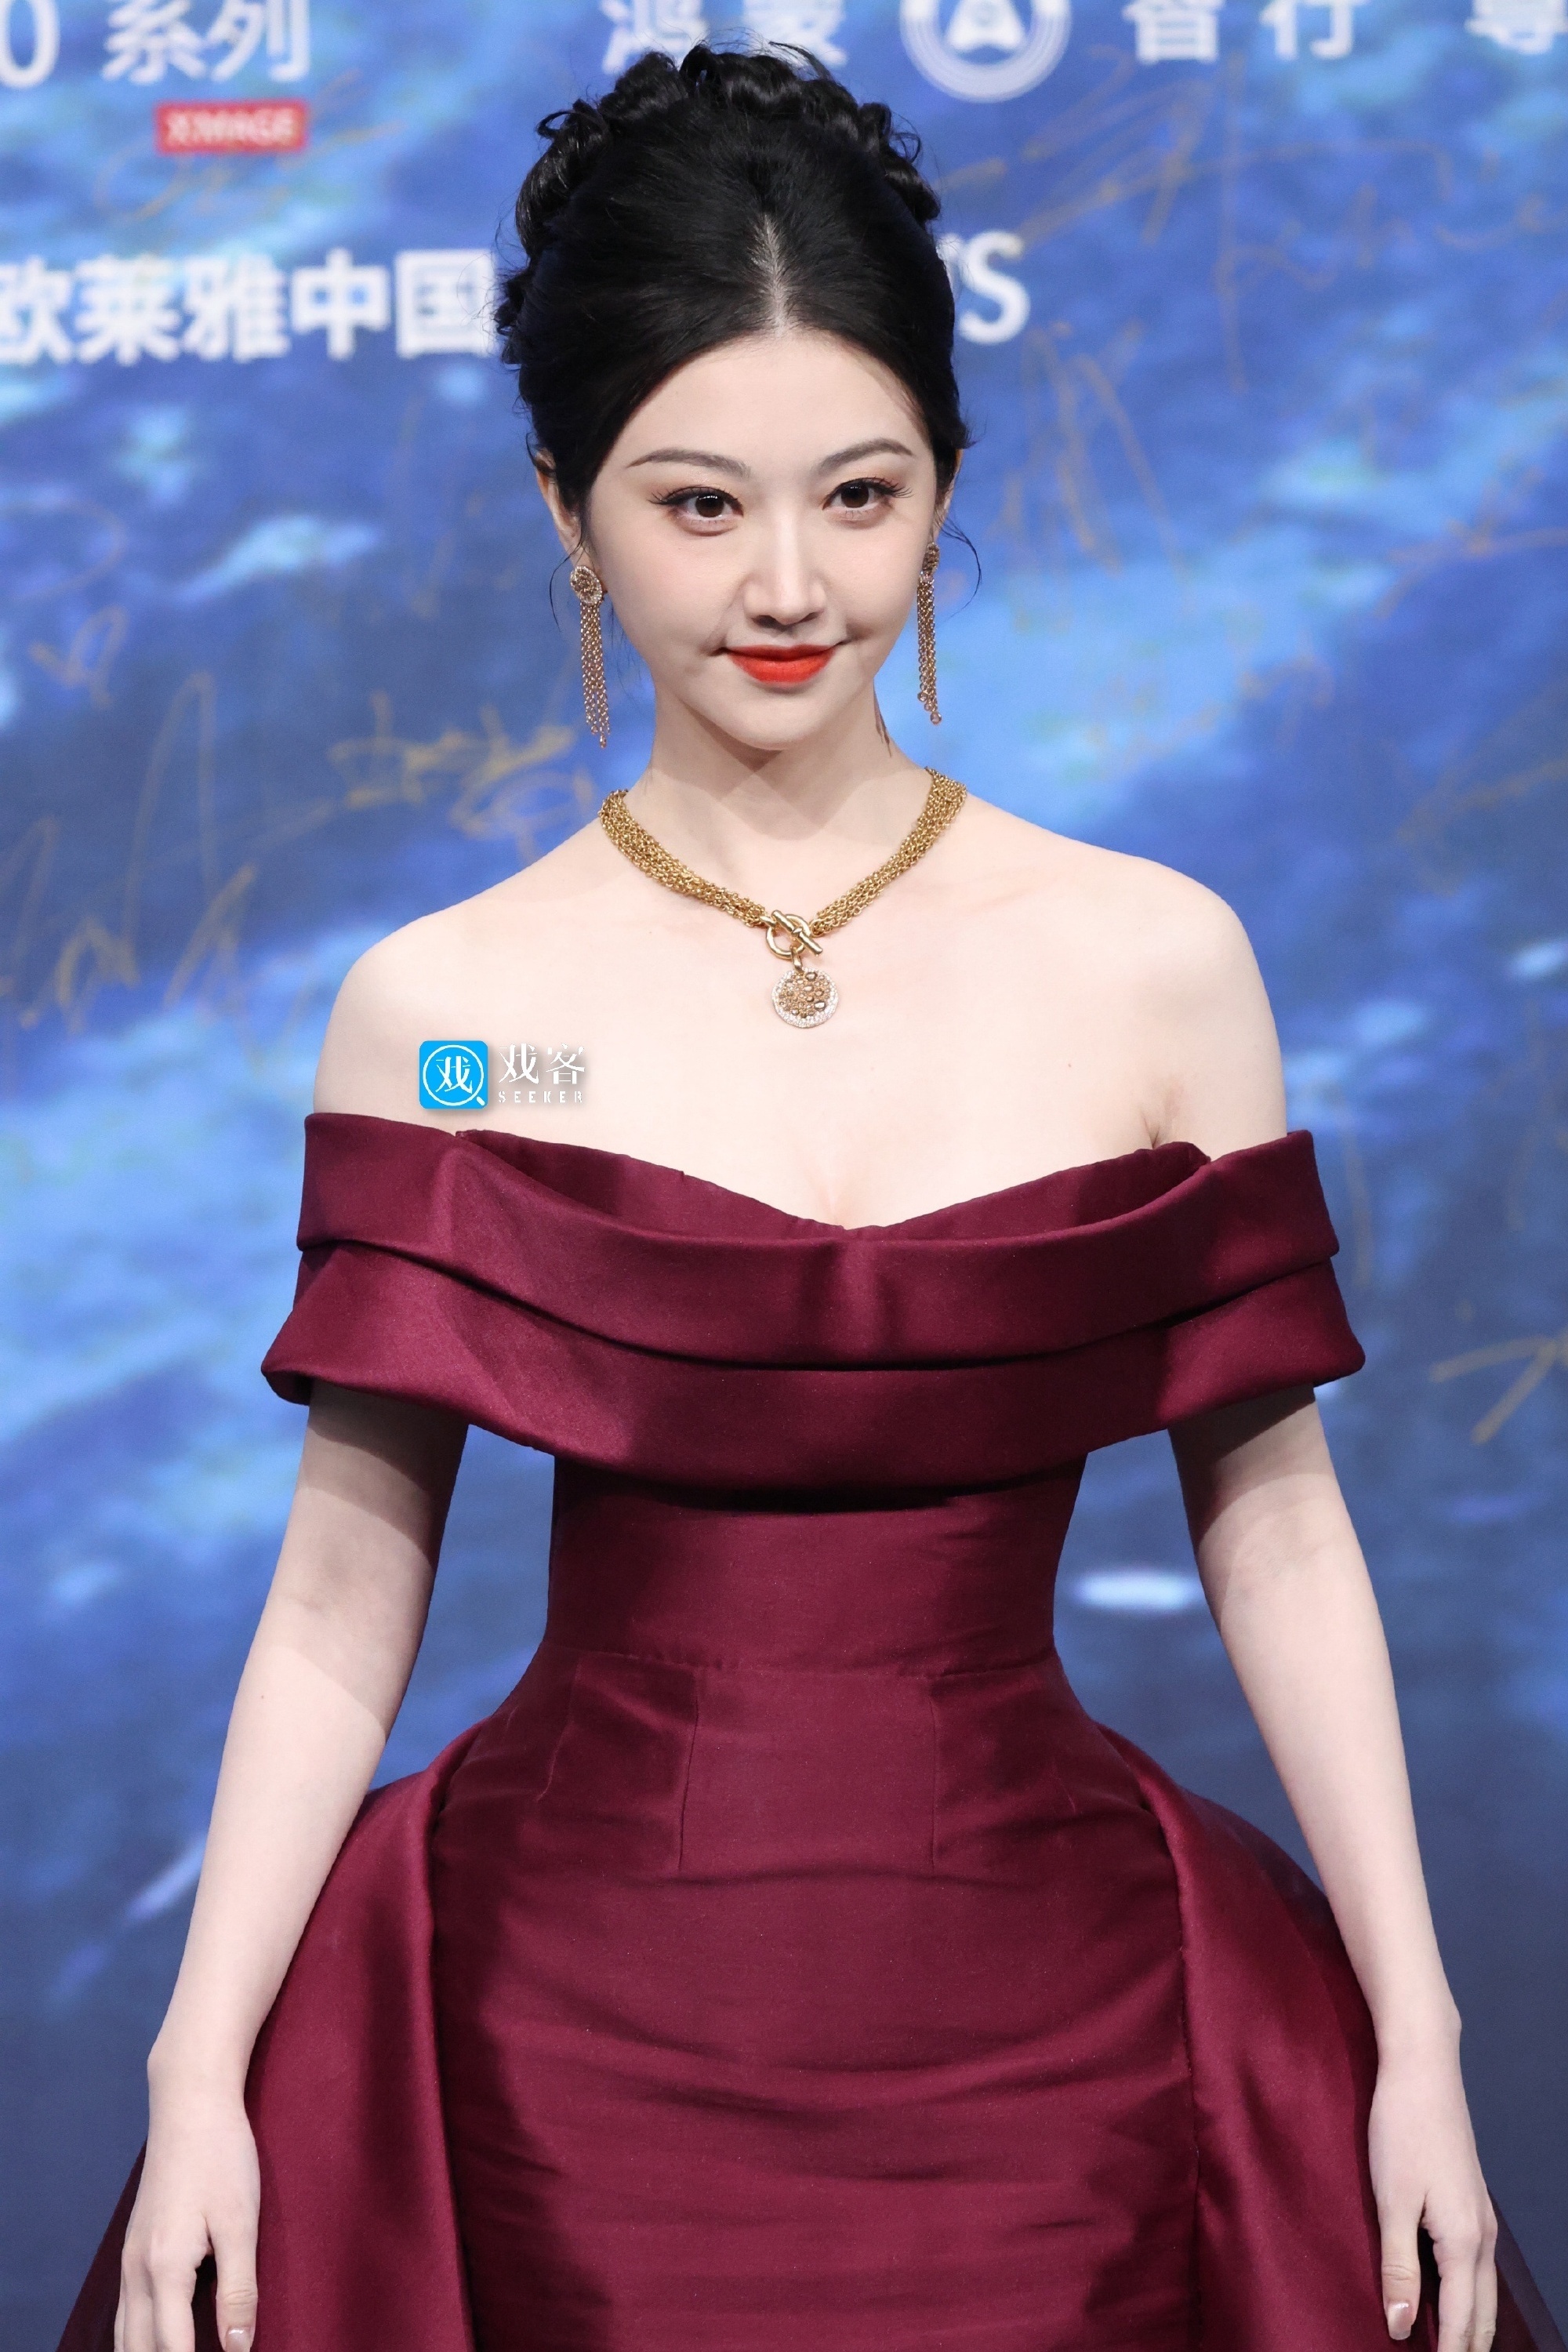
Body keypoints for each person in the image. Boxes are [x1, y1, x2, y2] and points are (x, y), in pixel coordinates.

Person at [58, 42, 1557, 2352]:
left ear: (945, 481)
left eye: (860, 496)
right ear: (567, 508)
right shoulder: (450, 1012)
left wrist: (1417, 2036)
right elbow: (347, 1583)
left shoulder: (1158, 964)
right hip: (542, 2042)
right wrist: (197, 2073)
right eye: (696, 505)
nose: (786, 585)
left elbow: (1275, 1527)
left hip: (1079, 2035)